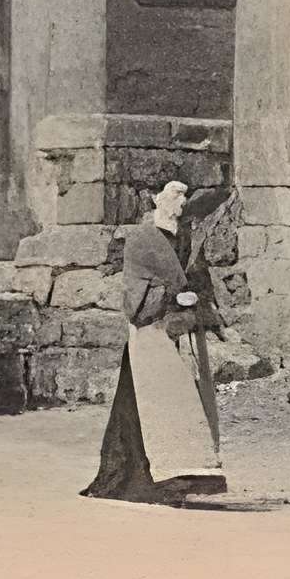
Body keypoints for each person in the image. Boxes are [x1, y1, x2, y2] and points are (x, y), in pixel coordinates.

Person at [80, 177, 228, 504]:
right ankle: (135, 478)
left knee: (180, 403)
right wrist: (175, 296)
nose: (179, 203)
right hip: (149, 334)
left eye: (183, 197)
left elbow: (199, 279)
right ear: (156, 200)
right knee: (138, 408)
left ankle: (183, 476)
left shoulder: (187, 238)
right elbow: (136, 295)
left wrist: (196, 298)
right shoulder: (141, 241)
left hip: (179, 334)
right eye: (173, 197)